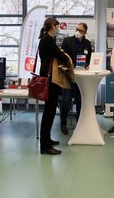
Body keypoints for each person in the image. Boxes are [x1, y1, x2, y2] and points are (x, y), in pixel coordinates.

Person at [38, 17, 69, 155]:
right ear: (52, 26)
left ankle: (47, 139)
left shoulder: (47, 39)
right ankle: (45, 146)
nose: (58, 29)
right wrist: (68, 58)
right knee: (49, 112)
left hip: (50, 79)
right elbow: (60, 56)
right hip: (50, 81)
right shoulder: (48, 40)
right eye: (57, 26)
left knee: (49, 111)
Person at [60, 23, 92, 135]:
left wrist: (88, 64)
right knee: (66, 100)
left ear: (85, 32)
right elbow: (62, 57)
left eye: (80, 30)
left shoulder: (87, 44)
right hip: (68, 76)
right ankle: (63, 123)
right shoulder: (67, 41)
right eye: (77, 29)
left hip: (81, 78)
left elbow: (89, 59)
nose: (78, 31)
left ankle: (80, 123)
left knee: (80, 100)